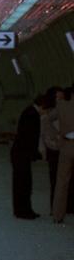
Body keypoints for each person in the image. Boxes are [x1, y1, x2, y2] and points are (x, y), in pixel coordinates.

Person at [10, 95, 43, 219]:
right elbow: (30, 137)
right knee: (24, 183)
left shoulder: (29, 112)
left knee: (21, 183)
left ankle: (22, 209)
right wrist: (35, 153)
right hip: (22, 154)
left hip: (20, 153)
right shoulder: (32, 115)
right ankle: (24, 211)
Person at [51, 86, 74, 223]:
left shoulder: (61, 106)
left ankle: (57, 215)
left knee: (62, 182)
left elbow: (47, 120)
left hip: (66, 145)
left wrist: (56, 135)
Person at [41, 87, 63, 213]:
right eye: (57, 98)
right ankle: (55, 207)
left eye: (61, 97)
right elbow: (44, 134)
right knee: (55, 179)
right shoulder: (48, 115)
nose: (59, 100)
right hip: (54, 149)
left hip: (62, 148)